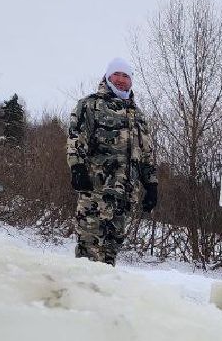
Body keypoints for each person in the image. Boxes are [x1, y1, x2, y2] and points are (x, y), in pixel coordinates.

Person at [66, 57, 158, 265]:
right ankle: (82, 295)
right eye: (117, 74)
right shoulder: (91, 105)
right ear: (108, 76)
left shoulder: (139, 117)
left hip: (124, 199)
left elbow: (146, 154)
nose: (121, 80)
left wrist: (151, 185)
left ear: (131, 81)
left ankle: (102, 297)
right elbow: (76, 138)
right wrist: (77, 168)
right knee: (88, 256)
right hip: (95, 194)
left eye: (126, 76)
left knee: (109, 258)